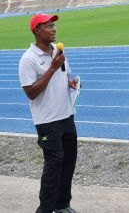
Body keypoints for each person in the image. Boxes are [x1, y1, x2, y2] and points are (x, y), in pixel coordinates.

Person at [19, 13, 79, 213]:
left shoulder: (59, 51)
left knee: (68, 163)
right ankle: (45, 209)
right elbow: (31, 93)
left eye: (54, 25)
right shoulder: (28, 59)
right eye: (48, 26)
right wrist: (52, 68)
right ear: (36, 30)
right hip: (47, 121)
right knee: (53, 166)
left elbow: (64, 75)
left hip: (66, 116)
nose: (54, 29)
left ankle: (62, 205)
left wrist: (70, 83)